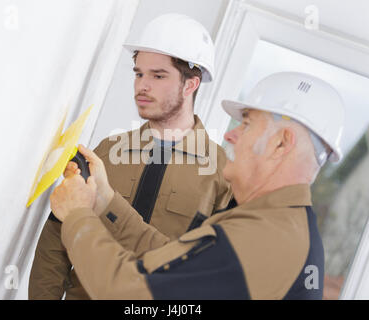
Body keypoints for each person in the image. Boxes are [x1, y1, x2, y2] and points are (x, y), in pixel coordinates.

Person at [49, 72, 345, 299]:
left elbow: (129, 292)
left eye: (247, 124)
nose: (231, 136)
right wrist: (104, 201)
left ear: (281, 143)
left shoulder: (269, 238)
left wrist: (77, 216)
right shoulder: (276, 224)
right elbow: (178, 264)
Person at [29, 13, 232, 299]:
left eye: (158, 75)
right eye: (138, 73)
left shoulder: (223, 174)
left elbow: (213, 275)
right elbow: (56, 237)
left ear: (190, 85)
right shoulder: (106, 153)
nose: (142, 86)